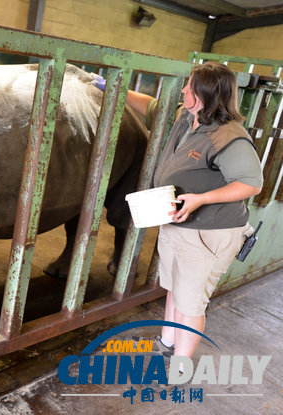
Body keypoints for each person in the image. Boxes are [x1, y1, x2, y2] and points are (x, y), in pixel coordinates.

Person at [95, 63, 263, 365]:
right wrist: (109, 86)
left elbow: (252, 184)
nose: (183, 90)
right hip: (178, 223)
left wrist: (201, 199)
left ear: (206, 94)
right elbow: (152, 107)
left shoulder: (228, 136)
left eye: (189, 85)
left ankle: (181, 366)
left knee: (191, 306)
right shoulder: (188, 117)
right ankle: (167, 342)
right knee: (173, 289)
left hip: (208, 233)